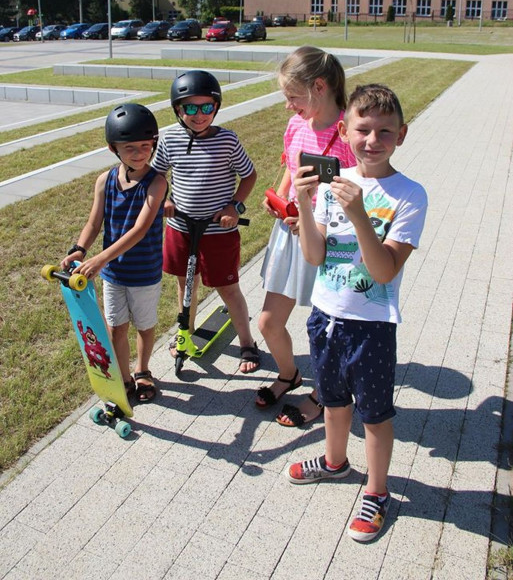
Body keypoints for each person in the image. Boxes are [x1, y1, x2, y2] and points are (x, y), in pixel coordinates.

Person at [287, 84, 428, 543]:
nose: (372, 140)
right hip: (325, 316)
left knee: (374, 415)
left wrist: (360, 214)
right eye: (363, 129)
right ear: (345, 132)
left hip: (371, 327)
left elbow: (384, 271)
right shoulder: (333, 184)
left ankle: (378, 490)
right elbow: (314, 256)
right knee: (332, 401)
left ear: (401, 135)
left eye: (385, 131)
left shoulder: (410, 195)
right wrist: (304, 205)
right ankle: (334, 462)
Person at [256, 46, 355, 425]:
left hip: (332, 242)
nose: (288, 105)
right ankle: (289, 374)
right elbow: (291, 168)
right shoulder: (297, 125)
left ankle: (324, 394)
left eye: (293, 96)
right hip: (290, 235)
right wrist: (280, 199)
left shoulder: (350, 132)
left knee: (329, 329)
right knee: (268, 322)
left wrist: (317, 223)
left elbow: (359, 196)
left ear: (319, 87)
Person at [152, 70, 260, 373]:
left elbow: (249, 175)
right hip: (181, 227)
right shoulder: (169, 138)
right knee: (186, 284)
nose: (199, 115)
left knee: (228, 288)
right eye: (190, 107)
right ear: (178, 109)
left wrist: (234, 206)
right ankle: (184, 333)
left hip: (218, 230)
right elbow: (157, 175)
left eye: (206, 107)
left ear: (216, 107)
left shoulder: (227, 140)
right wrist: (164, 200)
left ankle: (247, 342)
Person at [61, 103, 168, 402]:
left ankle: (142, 370)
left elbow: (140, 229)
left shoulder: (157, 182)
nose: (139, 153)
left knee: (144, 326)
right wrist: (80, 250)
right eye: (130, 147)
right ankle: (123, 377)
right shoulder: (104, 181)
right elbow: (94, 222)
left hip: (144, 271)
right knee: (116, 327)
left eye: (145, 146)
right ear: (113, 148)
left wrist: (99, 259)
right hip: (113, 273)